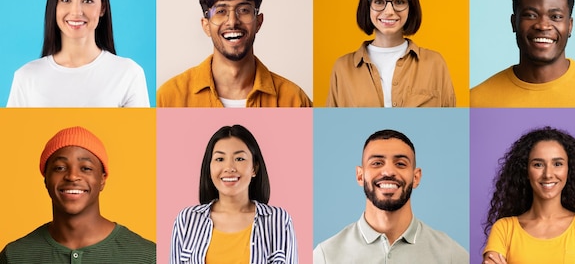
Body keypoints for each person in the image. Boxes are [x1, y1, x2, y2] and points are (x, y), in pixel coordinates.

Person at [157, 0, 311, 107]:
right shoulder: (168, 99)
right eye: (221, 11)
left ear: (259, 21)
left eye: (243, 10)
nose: (232, 21)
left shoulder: (294, 100)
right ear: (206, 25)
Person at [0, 126, 155, 263]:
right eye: (60, 168)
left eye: (86, 168)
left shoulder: (148, 256)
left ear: (102, 179)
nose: (72, 176)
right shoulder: (14, 256)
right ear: (45, 179)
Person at [7, 0, 150, 107]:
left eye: (88, 0)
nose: (76, 11)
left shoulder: (129, 74)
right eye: (66, 0)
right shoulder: (25, 77)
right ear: (54, 6)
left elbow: (139, 130)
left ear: (103, 7)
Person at [313, 129, 468, 263]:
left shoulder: (452, 256)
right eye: (377, 163)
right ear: (360, 176)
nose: (388, 172)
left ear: (416, 177)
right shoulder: (325, 256)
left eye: (400, 164)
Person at [326, 0, 455, 107]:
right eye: (379, 2)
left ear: (410, 7)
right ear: (367, 5)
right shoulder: (342, 68)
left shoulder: (435, 63)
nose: (389, 11)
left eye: (399, 2)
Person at [482, 127, 575, 264]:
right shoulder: (504, 229)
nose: (548, 174)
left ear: (569, 169)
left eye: (557, 164)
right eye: (538, 164)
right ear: (526, 171)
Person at [170, 124, 297, 263]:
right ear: (209, 169)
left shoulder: (278, 221)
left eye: (239, 159)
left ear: (254, 168)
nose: (229, 168)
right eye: (220, 159)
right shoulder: (186, 220)